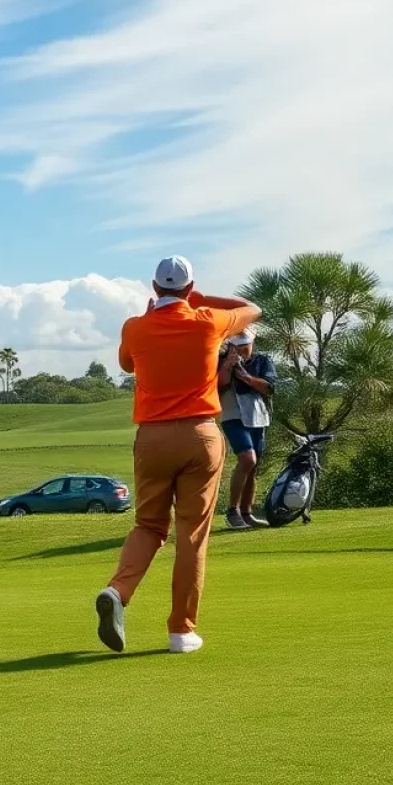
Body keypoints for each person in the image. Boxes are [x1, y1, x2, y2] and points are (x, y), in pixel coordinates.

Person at [95, 257, 260, 655]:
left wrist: (157, 314)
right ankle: (181, 631)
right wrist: (199, 298)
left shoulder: (135, 326)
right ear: (190, 288)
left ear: (154, 287)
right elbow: (252, 308)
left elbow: (126, 363)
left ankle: (118, 591)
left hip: (151, 439)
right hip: (200, 435)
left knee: (149, 526)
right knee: (191, 535)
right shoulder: (207, 320)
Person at [219, 329, 277, 530]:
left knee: (253, 467)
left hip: (257, 417)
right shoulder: (220, 360)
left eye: (245, 345)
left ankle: (246, 512)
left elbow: (270, 387)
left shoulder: (262, 361)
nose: (242, 350)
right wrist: (227, 366)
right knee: (247, 459)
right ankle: (232, 511)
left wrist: (248, 378)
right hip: (232, 415)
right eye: (237, 346)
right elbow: (218, 386)